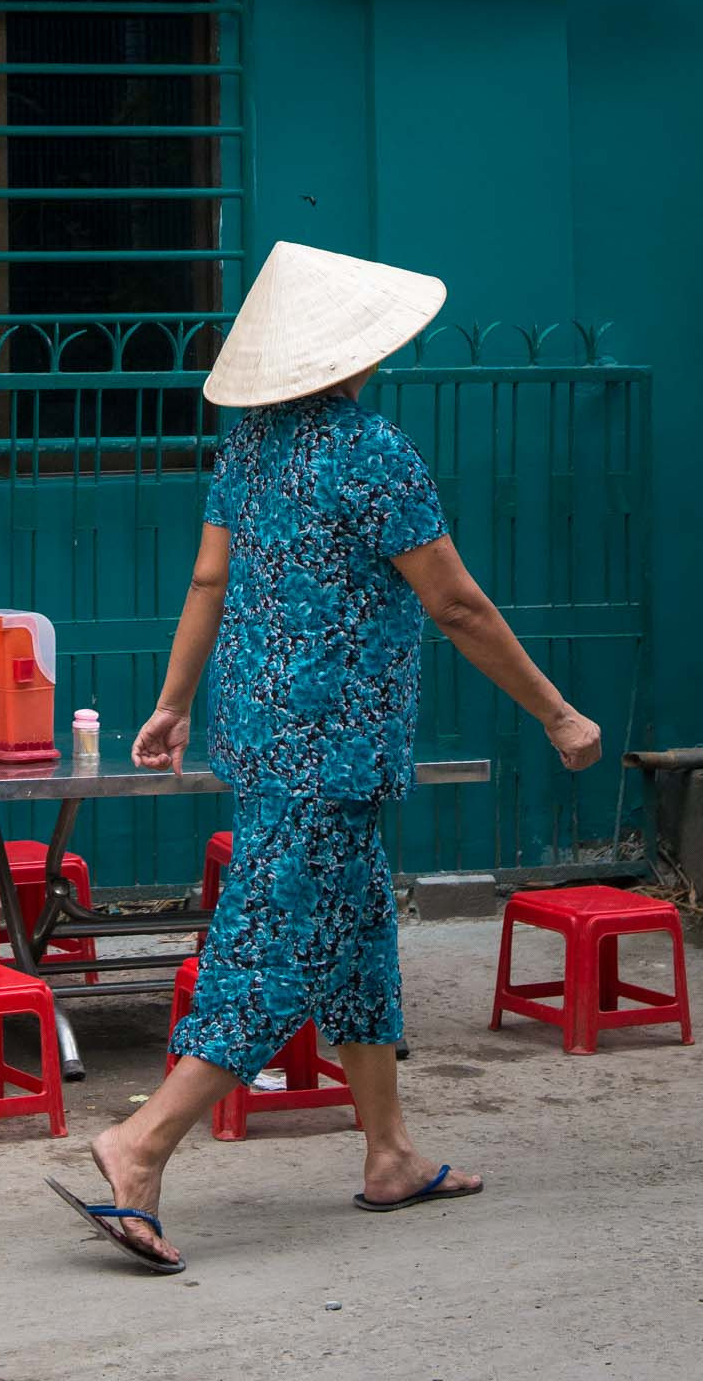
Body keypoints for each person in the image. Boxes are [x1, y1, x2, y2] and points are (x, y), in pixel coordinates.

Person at [51, 243, 604, 1273]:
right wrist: (556, 710)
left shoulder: (249, 445)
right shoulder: (372, 450)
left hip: (263, 734)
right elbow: (453, 600)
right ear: (357, 353)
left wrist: (173, 702)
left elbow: (208, 581)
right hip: (329, 747)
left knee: (351, 948)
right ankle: (139, 1143)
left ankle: (389, 1153)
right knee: (269, 956)